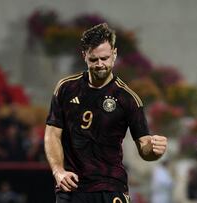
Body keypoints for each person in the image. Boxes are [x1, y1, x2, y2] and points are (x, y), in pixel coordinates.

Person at [44, 23, 167, 203]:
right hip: (71, 187)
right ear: (84, 56)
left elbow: (144, 147)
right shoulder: (66, 88)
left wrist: (155, 150)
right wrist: (58, 171)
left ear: (114, 54)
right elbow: (52, 134)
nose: (100, 64)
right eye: (94, 59)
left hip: (111, 187)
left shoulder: (128, 99)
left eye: (105, 58)